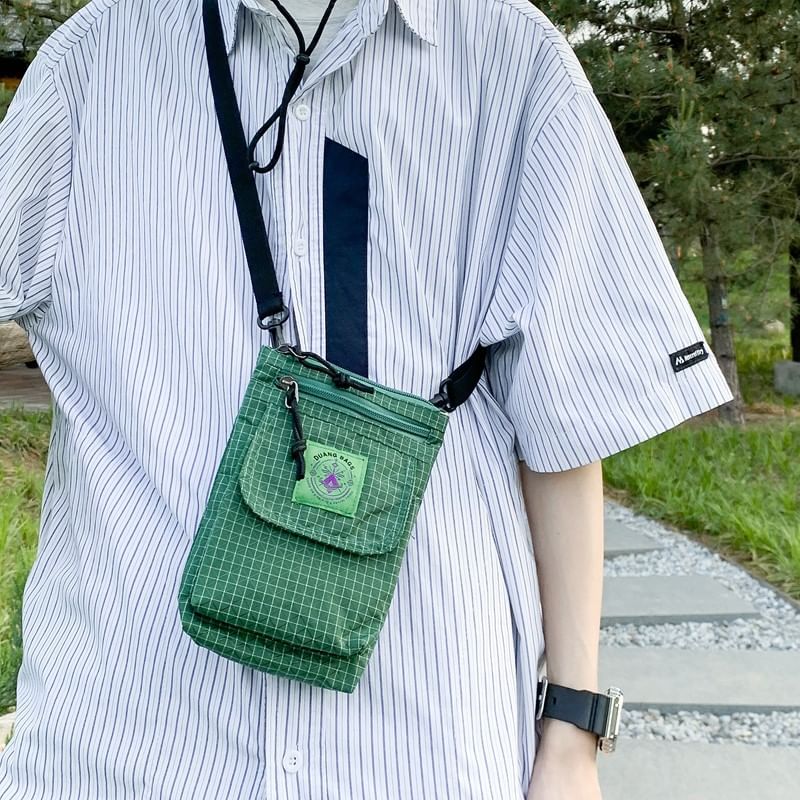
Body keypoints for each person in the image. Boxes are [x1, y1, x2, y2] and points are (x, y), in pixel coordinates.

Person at [0, 0, 734, 798]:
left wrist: (572, 734)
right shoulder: (93, 63)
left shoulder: (512, 57)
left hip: (425, 742)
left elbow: (563, 427)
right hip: (131, 740)